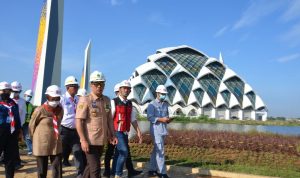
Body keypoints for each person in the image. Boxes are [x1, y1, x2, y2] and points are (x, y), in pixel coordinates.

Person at [76, 70, 117, 178]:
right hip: (90, 141)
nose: (99, 86)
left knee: (91, 166)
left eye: (102, 84)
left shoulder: (107, 100)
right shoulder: (85, 100)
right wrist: (83, 140)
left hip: (101, 140)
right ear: (91, 85)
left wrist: (112, 135)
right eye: (96, 84)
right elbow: (79, 121)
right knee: (96, 169)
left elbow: (109, 119)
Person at [104, 82, 142, 178]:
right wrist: (109, 134)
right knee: (124, 152)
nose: (126, 90)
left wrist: (138, 131)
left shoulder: (130, 103)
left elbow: (133, 119)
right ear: (120, 89)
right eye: (124, 88)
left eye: (128, 88)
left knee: (118, 153)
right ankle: (118, 174)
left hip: (125, 132)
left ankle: (113, 173)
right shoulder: (114, 102)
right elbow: (109, 119)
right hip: (116, 131)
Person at [29, 85, 64, 178]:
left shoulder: (60, 110)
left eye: (57, 98)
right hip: (41, 143)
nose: (55, 100)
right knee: (42, 168)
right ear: (47, 97)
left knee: (57, 166)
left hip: (55, 142)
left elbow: (59, 123)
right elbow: (31, 126)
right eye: (53, 98)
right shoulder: (39, 110)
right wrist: (34, 139)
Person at [60, 76, 86, 177]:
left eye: (76, 86)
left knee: (78, 152)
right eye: (73, 86)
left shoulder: (78, 99)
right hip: (64, 130)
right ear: (67, 87)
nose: (75, 88)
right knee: (59, 153)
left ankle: (80, 175)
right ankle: (58, 173)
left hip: (75, 131)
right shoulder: (62, 99)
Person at [147, 85, 172, 178]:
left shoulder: (166, 104)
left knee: (156, 150)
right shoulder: (151, 104)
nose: (164, 95)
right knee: (160, 151)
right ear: (157, 93)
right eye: (162, 94)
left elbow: (167, 115)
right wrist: (161, 119)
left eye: (165, 94)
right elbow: (149, 117)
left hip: (163, 130)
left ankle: (152, 170)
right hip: (155, 131)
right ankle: (162, 172)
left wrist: (168, 119)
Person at [0, 81, 22, 178]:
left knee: (10, 160)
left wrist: (19, 130)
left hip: (12, 134)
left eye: (8, 90)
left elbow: (17, 118)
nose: (6, 92)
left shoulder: (13, 103)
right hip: (0, 133)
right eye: (4, 90)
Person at [10, 81, 26, 170]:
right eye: (13, 91)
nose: (15, 93)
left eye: (17, 91)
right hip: (5, 126)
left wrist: (19, 127)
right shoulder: (5, 100)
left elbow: (23, 115)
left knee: (14, 144)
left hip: (16, 126)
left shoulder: (22, 102)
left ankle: (16, 162)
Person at [23, 89, 36, 155]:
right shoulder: (21, 103)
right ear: (24, 95)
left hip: (27, 123)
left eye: (30, 97)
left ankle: (31, 150)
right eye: (28, 96)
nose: (29, 98)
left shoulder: (31, 106)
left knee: (27, 137)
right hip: (19, 122)